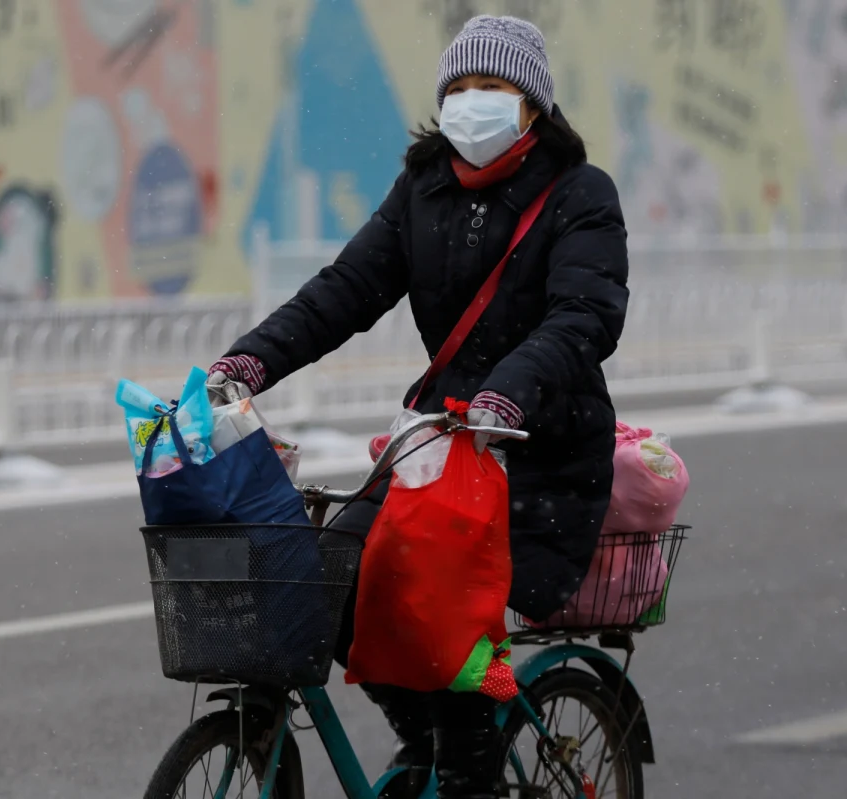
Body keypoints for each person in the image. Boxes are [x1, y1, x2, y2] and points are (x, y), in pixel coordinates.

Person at [209, 15, 629, 799]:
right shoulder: (424, 188)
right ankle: (428, 736)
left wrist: (512, 386)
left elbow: (585, 315)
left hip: (537, 450)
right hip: (438, 446)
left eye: (492, 88)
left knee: (442, 599)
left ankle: (473, 774)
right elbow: (345, 290)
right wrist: (252, 359)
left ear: (533, 105)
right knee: (330, 581)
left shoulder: (579, 194)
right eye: (458, 88)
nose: (471, 103)